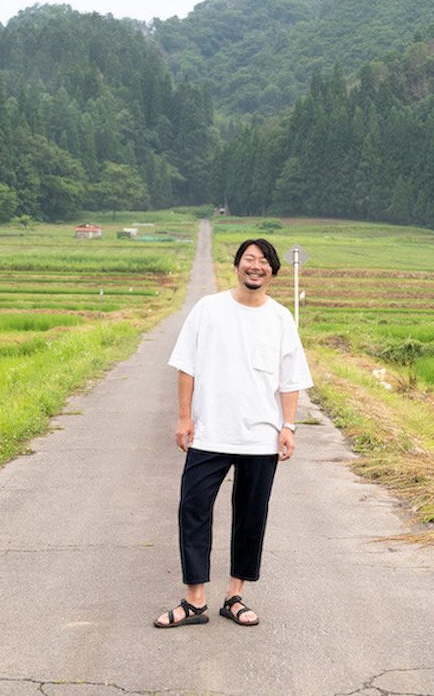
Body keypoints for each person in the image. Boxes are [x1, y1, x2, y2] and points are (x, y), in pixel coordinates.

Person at [154, 237, 313, 629]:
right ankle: (194, 600)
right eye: (248, 259)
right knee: (193, 510)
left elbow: (289, 379)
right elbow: (186, 366)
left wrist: (288, 426)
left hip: (260, 437)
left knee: (250, 516)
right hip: (209, 433)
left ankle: (235, 595)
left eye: (263, 261)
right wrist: (183, 417)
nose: (255, 266)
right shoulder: (209, 309)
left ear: (273, 271)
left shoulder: (280, 318)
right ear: (238, 265)